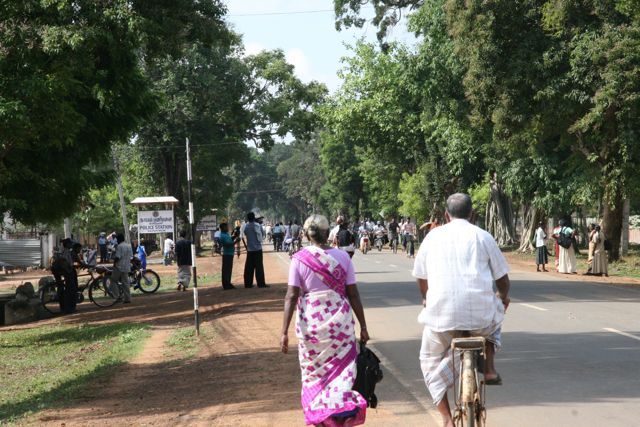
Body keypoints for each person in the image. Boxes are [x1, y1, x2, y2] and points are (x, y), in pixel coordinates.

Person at [412, 193, 510, 427]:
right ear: (472, 214)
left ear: (446, 215)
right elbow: (503, 280)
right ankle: (488, 368)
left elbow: (420, 277)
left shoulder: (432, 237)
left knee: (428, 360)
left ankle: (446, 418)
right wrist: (503, 298)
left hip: (440, 319)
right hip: (481, 319)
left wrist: (427, 298)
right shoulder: (483, 236)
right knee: (498, 312)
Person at [281, 214, 369, 427]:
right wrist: (364, 326)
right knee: (342, 375)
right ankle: (339, 419)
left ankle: (320, 418)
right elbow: (353, 294)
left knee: (314, 375)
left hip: (310, 325)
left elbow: (292, 295)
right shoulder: (343, 258)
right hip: (340, 325)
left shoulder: (299, 259)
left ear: (306, 235)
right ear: (327, 234)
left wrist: (283, 331)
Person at [242, 212, 268, 288]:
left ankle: (248, 284)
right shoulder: (258, 226)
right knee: (259, 267)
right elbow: (262, 235)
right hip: (258, 249)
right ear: (254, 218)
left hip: (250, 249)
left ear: (247, 218)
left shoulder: (246, 226)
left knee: (249, 267)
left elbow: (245, 234)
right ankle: (261, 283)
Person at [112, 233, 133, 303]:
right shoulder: (129, 246)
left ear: (118, 239)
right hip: (127, 266)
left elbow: (117, 257)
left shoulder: (119, 246)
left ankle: (117, 296)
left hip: (119, 267)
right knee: (125, 283)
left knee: (113, 281)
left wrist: (114, 263)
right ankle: (127, 298)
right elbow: (131, 256)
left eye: (117, 239)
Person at [218, 223, 237, 290]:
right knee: (226, 269)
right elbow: (227, 244)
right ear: (223, 228)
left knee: (229, 269)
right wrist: (235, 242)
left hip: (230, 254)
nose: (227, 228)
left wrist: (234, 237)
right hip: (227, 254)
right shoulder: (222, 235)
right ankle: (226, 284)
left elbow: (229, 240)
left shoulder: (226, 234)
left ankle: (228, 282)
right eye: (226, 227)